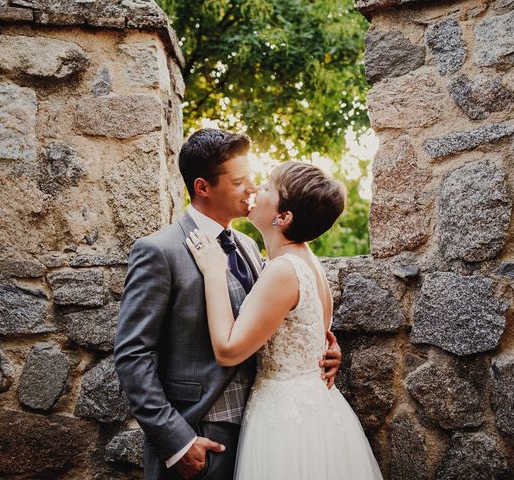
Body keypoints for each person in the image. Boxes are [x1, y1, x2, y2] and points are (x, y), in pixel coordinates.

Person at [114, 129, 343, 480]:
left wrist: (321, 343)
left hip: (266, 431)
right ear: (203, 187)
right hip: (200, 434)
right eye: (239, 182)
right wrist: (176, 440)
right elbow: (133, 355)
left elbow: (278, 317)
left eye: (254, 179)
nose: (251, 189)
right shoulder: (159, 251)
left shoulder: (250, 246)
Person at [186, 161, 383, 479]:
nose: (254, 189)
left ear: (283, 217)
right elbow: (310, 337)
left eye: (266, 187)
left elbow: (228, 350)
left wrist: (212, 271)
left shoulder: (283, 270)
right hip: (318, 409)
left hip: (287, 422)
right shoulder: (309, 263)